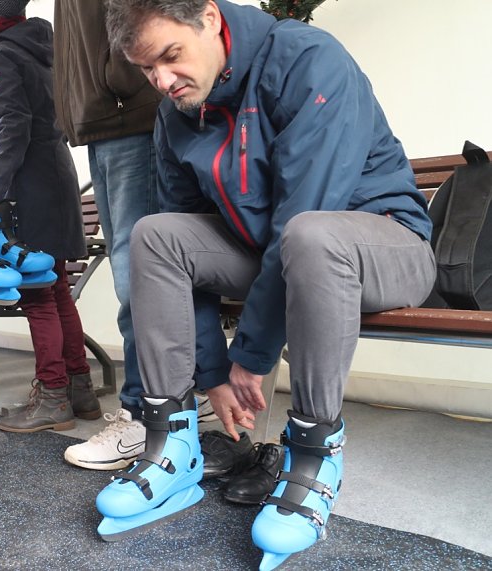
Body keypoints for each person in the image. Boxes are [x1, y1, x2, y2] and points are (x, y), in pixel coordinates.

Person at [95, 0, 435, 567]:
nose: (163, 81)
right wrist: (212, 375)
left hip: (384, 243)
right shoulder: (176, 113)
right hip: (281, 250)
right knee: (156, 234)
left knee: (310, 235)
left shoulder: (307, 60)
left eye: (171, 56)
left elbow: (306, 215)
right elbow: (194, 231)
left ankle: (313, 453)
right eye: (146, 69)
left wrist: (248, 357)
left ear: (208, 18)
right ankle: (172, 443)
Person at [53, 0, 222, 472]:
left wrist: (125, 78)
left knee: (140, 276)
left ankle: (151, 413)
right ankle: (167, 403)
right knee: (132, 272)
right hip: (104, 121)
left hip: (132, 113)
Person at [0, 0, 101, 433]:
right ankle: (80, 391)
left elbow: (13, 128)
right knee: (56, 287)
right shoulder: (44, 46)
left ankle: (53, 398)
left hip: (34, 184)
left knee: (39, 293)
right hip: (57, 174)